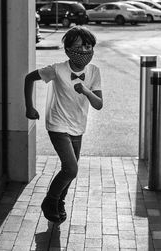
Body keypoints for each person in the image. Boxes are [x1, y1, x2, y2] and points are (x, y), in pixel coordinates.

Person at [24, 26, 103, 223]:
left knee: (70, 169)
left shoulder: (94, 71)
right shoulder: (57, 69)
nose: (84, 51)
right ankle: (50, 201)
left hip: (78, 126)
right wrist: (29, 107)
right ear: (68, 50)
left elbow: (99, 104)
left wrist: (85, 90)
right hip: (57, 124)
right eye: (78, 47)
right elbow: (29, 78)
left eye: (88, 46)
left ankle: (60, 202)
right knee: (71, 169)